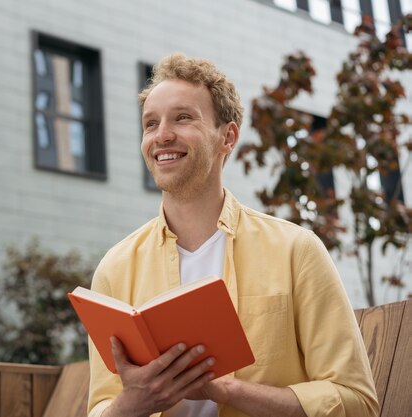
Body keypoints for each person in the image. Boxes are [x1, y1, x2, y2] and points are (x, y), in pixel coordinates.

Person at [87, 53, 379, 417]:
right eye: (150, 124)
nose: (161, 135)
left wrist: (227, 389)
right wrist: (131, 405)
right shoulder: (114, 269)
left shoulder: (297, 251)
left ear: (228, 137)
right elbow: (100, 406)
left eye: (182, 117)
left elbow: (357, 401)